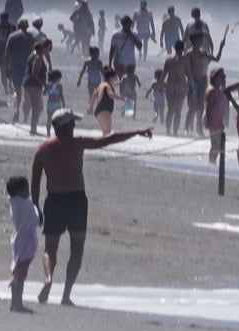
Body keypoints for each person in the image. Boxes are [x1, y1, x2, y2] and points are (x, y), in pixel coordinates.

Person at [30, 108, 153, 306]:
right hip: (77, 200)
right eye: (72, 123)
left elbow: (35, 181)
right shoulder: (78, 143)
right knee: (76, 249)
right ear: (66, 126)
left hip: (54, 201)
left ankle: (48, 279)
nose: (74, 126)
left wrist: (35, 205)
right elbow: (109, 140)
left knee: (50, 248)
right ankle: (66, 295)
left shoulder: (42, 149)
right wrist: (137, 131)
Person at [6, 176, 40, 314]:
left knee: (20, 269)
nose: (28, 191)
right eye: (26, 188)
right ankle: (17, 302)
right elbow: (34, 218)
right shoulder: (24, 204)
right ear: (19, 191)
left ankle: (15, 301)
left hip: (19, 238)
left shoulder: (15, 203)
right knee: (22, 271)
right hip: (25, 240)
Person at [3, 19, 35, 122]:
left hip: (15, 67)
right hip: (28, 68)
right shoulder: (31, 37)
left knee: (18, 92)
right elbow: (35, 53)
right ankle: (25, 117)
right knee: (27, 94)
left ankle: (16, 112)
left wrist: (6, 67)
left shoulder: (12, 36)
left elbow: (7, 54)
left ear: (18, 26)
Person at [23, 38, 52, 136]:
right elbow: (34, 73)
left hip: (31, 83)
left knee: (39, 107)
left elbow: (47, 55)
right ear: (44, 47)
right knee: (37, 107)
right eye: (49, 48)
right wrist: (44, 84)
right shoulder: (38, 57)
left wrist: (50, 63)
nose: (50, 51)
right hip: (33, 84)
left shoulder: (36, 54)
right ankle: (33, 128)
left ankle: (33, 127)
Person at [204, 68, 230, 165]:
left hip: (218, 120)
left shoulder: (219, 89)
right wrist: (207, 120)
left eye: (224, 76)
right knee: (216, 145)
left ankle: (212, 162)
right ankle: (212, 162)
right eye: (222, 76)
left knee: (218, 145)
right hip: (213, 120)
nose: (223, 78)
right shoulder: (212, 90)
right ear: (215, 78)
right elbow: (207, 105)